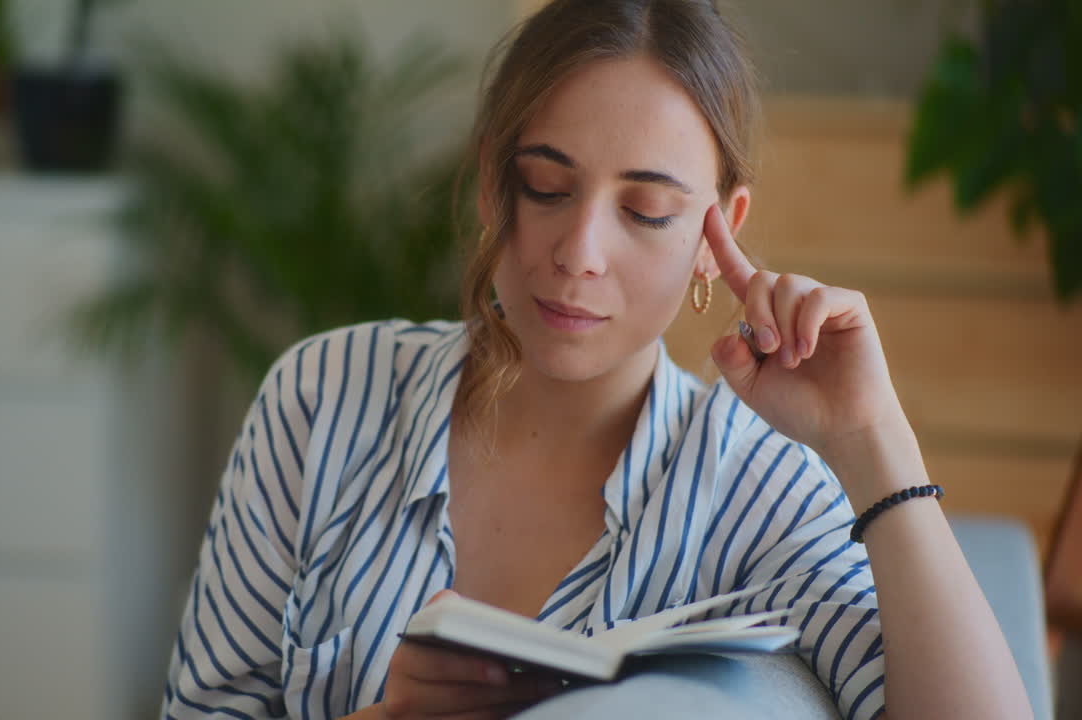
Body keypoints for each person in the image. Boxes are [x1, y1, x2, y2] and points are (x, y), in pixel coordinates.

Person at [160, 1, 1033, 718]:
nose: (579, 251)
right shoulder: (324, 397)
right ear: (490, 179)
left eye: (647, 209)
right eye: (546, 186)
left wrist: (873, 436)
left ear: (713, 233)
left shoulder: (757, 491)